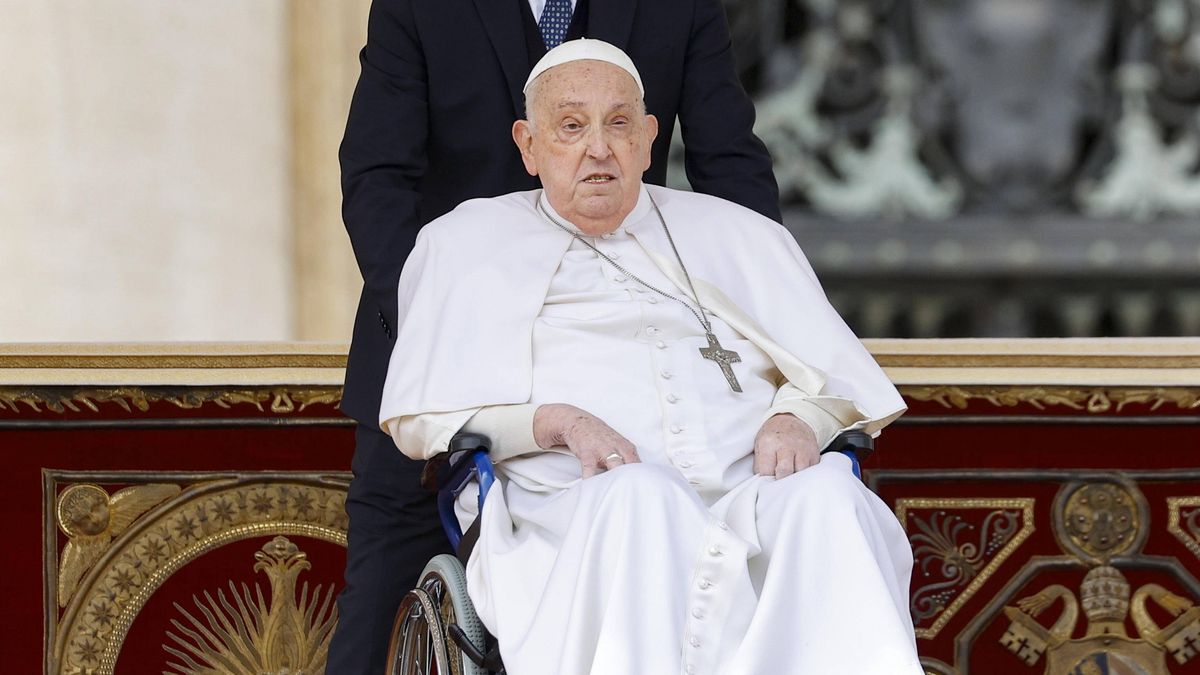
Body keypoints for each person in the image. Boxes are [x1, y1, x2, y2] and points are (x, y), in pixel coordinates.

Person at [380, 39, 922, 675]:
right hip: (572, 509)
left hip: (749, 494)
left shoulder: (738, 233)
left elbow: (838, 381)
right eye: (572, 126)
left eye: (618, 124)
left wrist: (800, 416)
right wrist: (554, 421)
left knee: (827, 498)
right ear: (528, 145)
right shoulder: (464, 243)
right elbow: (422, 421)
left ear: (648, 137)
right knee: (643, 496)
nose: (599, 149)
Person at [333, 0, 781, 670]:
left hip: (616, 359)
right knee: (378, 601)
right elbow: (377, 181)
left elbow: (731, 167)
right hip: (444, 353)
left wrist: (771, 329)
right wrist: (448, 332)